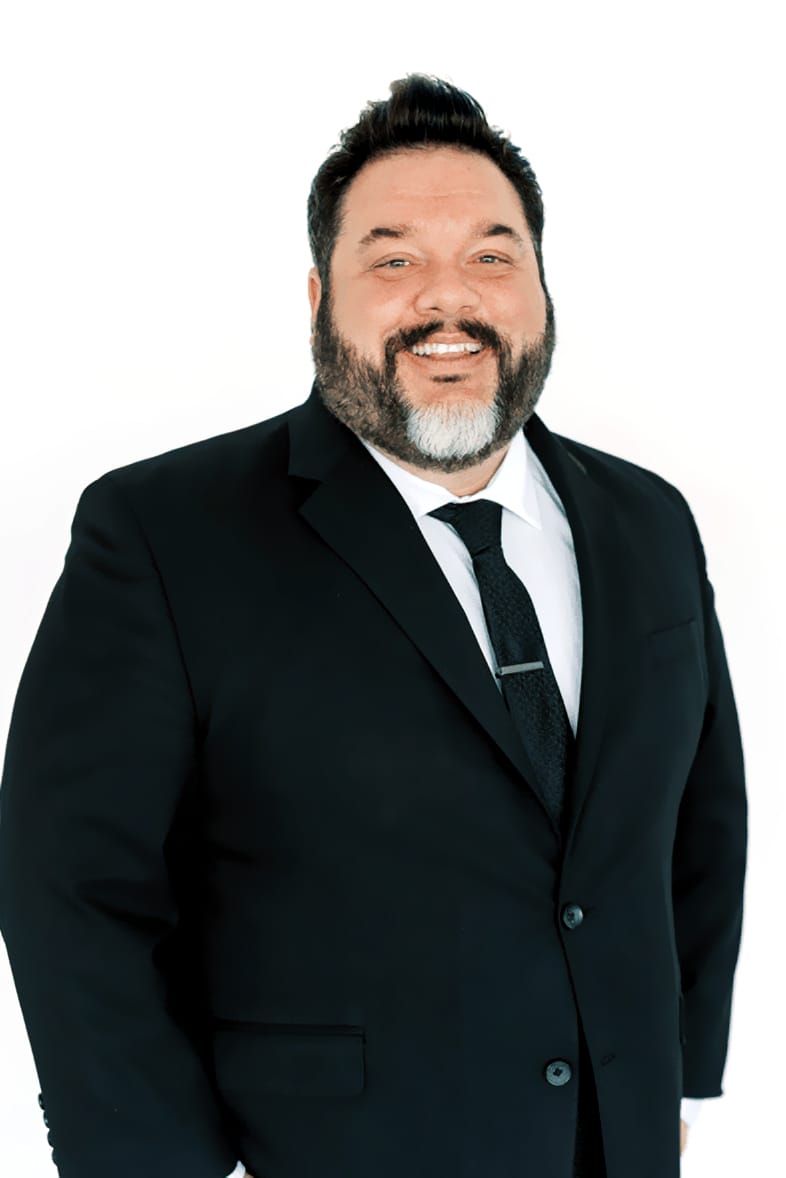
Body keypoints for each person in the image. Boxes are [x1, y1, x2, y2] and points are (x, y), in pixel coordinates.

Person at [0, 74, 747, 1178]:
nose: (449, 299)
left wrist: (677, 1076)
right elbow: (73, 888)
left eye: (491, 256)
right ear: (319, 297)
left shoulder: (649, 520)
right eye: (393, 261)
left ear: (541, 288)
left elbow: (698, 818)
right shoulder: (162, 533)